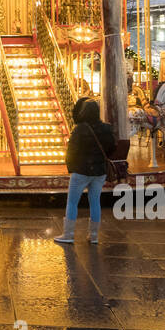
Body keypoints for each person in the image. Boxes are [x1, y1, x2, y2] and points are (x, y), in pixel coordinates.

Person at [54, 99, 113, 244]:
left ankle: (68, 234)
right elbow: (112, 147)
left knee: (72, 202)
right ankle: (94, 235)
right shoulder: (106, 128)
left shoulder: (80, 129)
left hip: (81, 170)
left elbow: (72, 150)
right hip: (99, 172)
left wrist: (72, 167)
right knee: (95, 201)